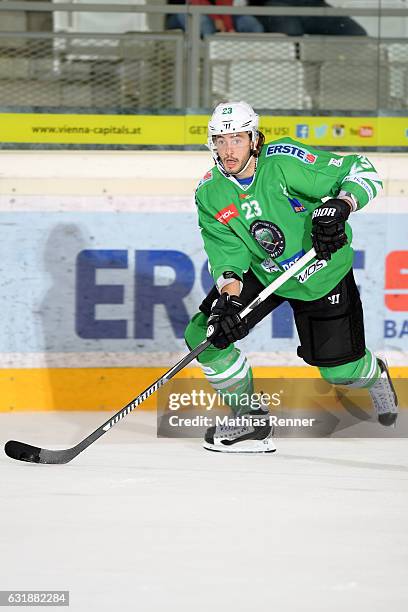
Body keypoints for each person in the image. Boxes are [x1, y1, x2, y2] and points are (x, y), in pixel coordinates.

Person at [185, 101, 398, 453]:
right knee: (206, 333)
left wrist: (342, 204)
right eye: (220, 141)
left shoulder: (284, 161)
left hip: (321, 272)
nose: (227, 150)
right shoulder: (210, 193)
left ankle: (374, 373)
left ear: (254, 139)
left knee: (339, 372)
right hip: (263, 271)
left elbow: (362, 171)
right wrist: (227, 298)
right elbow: (227, 255)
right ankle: (251, 421)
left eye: (236, 139)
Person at [247, 0, 367, 36]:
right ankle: (295, 84)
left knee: (355, 34)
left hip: (314, 5)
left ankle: (332, 79)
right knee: (292, 37)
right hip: (276, 3)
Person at [166, 0, 264, 37]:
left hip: (213, 12)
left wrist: (229, 28)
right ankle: (210, 64)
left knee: (254, 26)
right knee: (206, 25)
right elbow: (197, 2)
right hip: (182, 11)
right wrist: (216, 19)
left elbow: (224, 3)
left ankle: (256, 62)